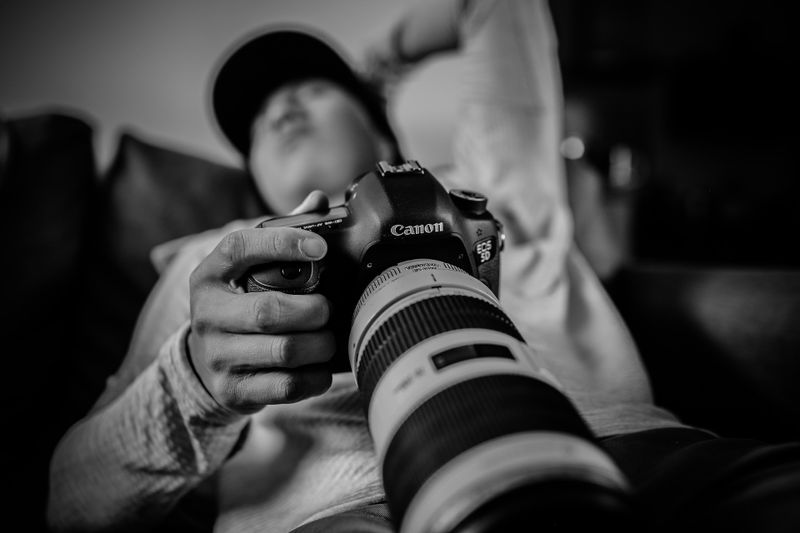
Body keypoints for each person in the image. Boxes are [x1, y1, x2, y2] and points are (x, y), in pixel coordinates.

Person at [47, 1, 800, 532]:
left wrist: (382, 61)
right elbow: (70, 504)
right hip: (335, 512)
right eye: (257, 124)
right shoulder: (216, 261)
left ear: (377, 120)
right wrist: (194, 381)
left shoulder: (488, 191)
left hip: (630, 452)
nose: (279, 110)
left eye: (311, 88)